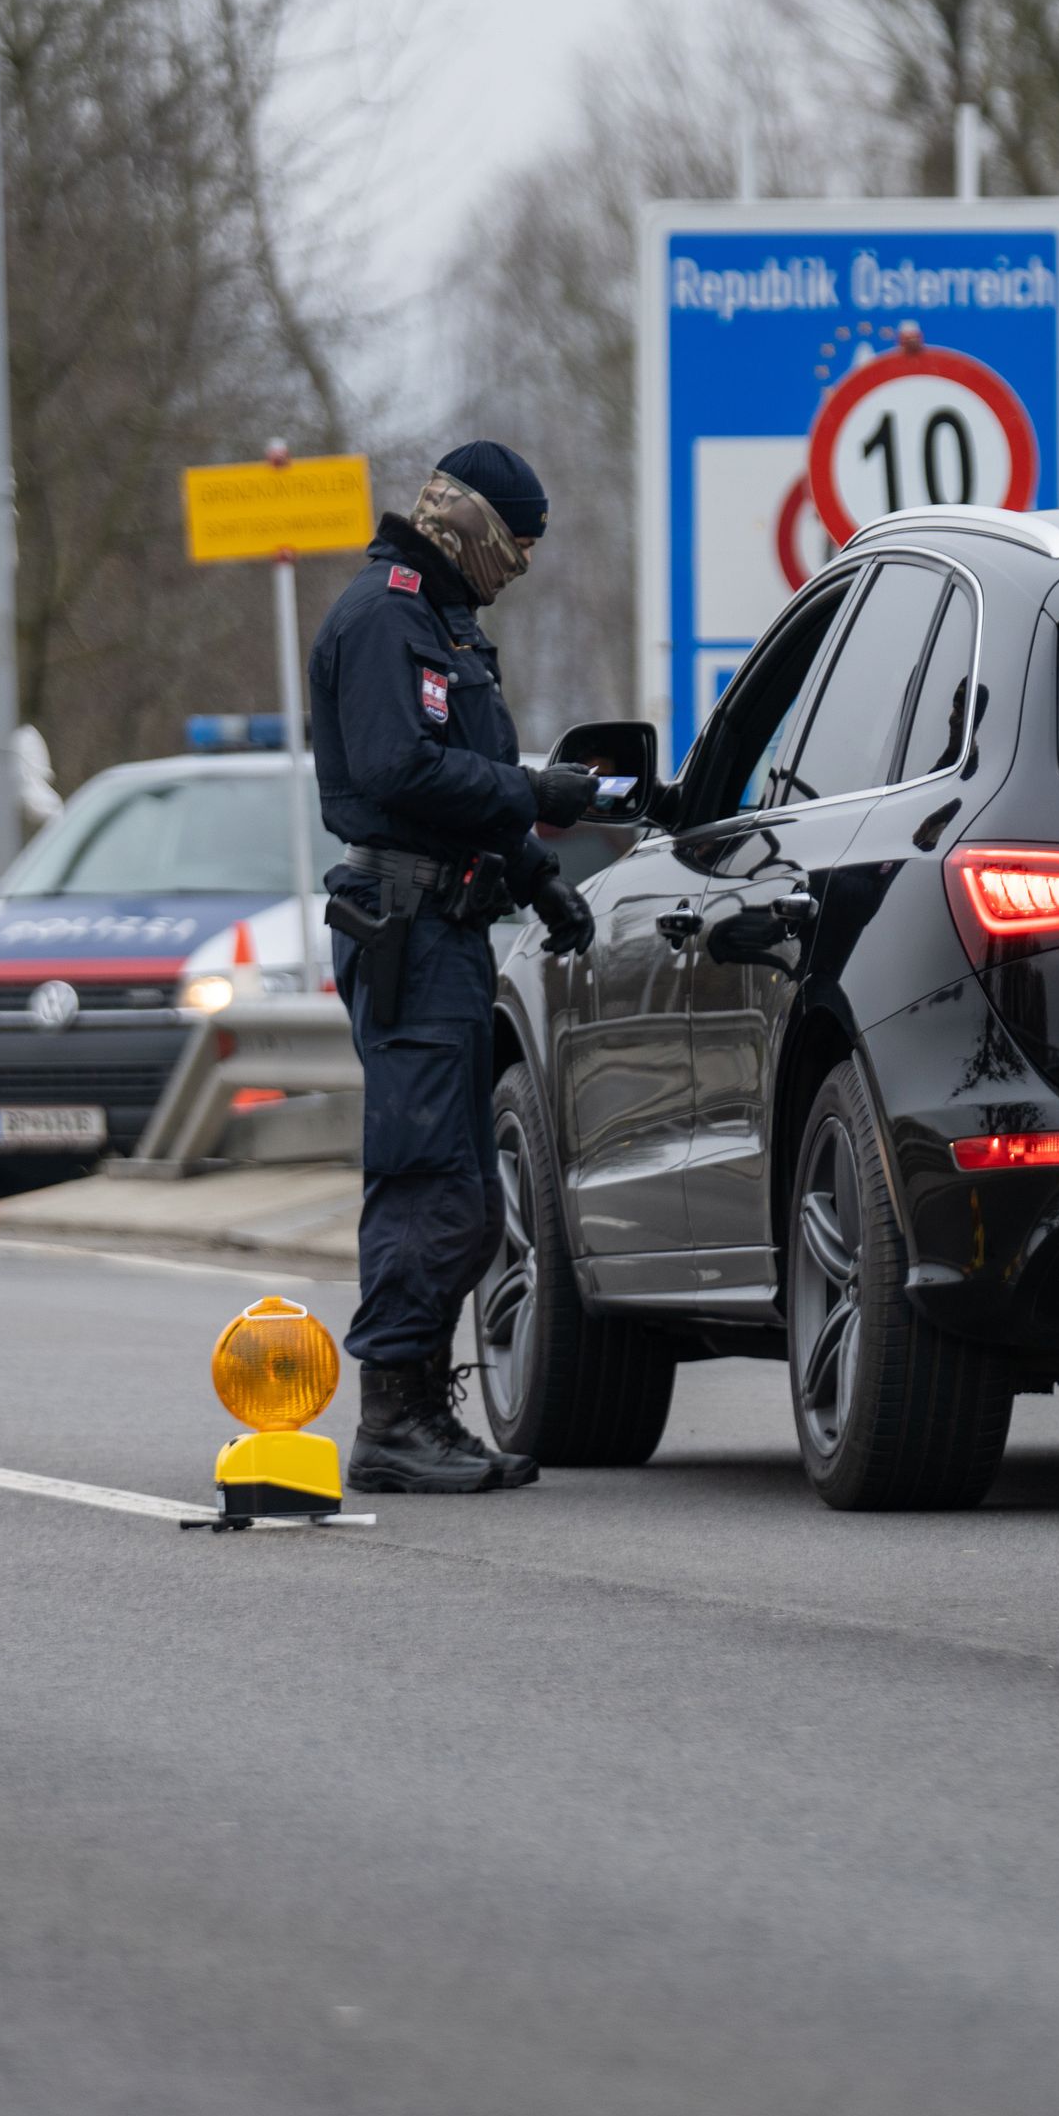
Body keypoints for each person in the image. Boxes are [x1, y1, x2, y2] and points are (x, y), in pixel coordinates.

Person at [308, 441, 601, 1493]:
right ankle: (393, 1417)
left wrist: (536, 876)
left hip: (447, 925)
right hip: (407, 928)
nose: (518, 563)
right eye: (514, 542)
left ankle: (420, 1408)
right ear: (471, 526)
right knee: (428, 1178)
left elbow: (458, 787)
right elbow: (402, 770)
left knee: (468, 1191)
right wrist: (536, 796)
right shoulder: (387, 617)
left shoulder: (443, 624)